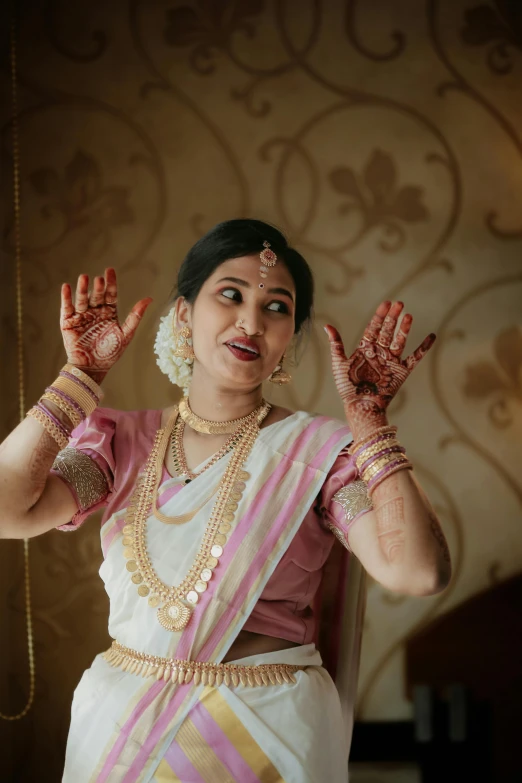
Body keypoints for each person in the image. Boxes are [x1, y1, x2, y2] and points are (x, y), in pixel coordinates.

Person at [0, 219, 451, 783]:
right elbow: (8, 510)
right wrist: (79, 378)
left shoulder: (317, 457)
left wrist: (369, 425)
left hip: (265, 735)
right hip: (124, 732)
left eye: (278, 308)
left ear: (290, 337)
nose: (251, 321)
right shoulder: (120, 446)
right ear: (185, 314)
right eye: (231, 295)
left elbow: (418, 573)